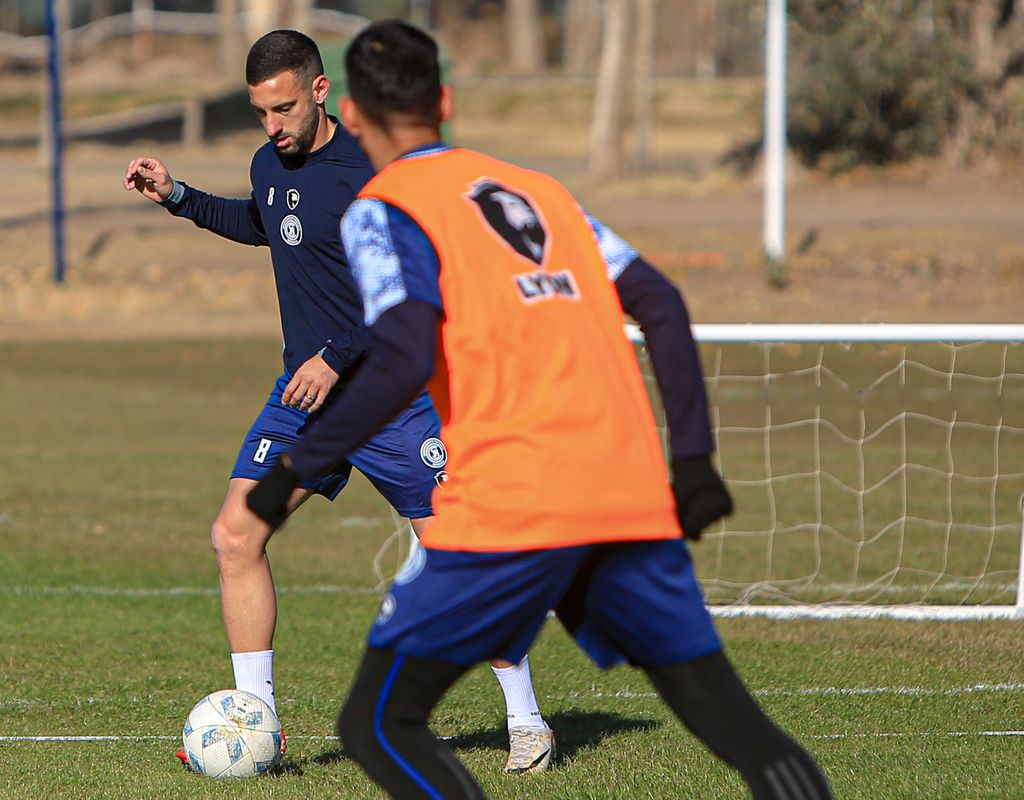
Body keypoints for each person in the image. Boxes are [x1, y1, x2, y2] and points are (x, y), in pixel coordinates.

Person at [239, 19, 835, 800]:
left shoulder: (384, 208)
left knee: (378, 726)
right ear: (446, 100)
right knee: (732, 723)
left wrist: (300, 467)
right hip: (623, 498)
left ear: (348, 114)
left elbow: (405, 351)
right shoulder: (539, 191)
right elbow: (660, 300)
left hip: (514, 508)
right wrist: (691, 461)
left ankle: (523, 721)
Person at [122, 29, 556, 773]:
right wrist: (180, 198)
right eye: (260, 112)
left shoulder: (373, 169)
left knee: (457, 556)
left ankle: (527, 723)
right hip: (303, 396)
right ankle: (255, 727)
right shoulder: (269, 162)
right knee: (236, 536)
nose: (272, 127)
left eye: (283, 108)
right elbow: (268, 225)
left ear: (321, 92)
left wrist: (338, 354)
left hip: (390, 396)